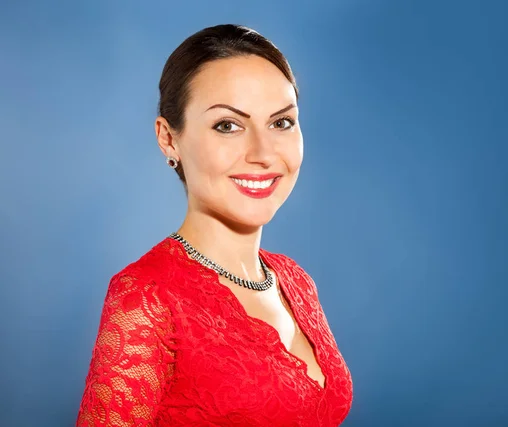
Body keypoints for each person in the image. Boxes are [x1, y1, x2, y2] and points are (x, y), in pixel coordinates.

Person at [76, 24, 353, 426]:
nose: (263, 153)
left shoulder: (295, 280)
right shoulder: (146, 297)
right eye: (228, 125)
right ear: (169, 139)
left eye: (281, 123)